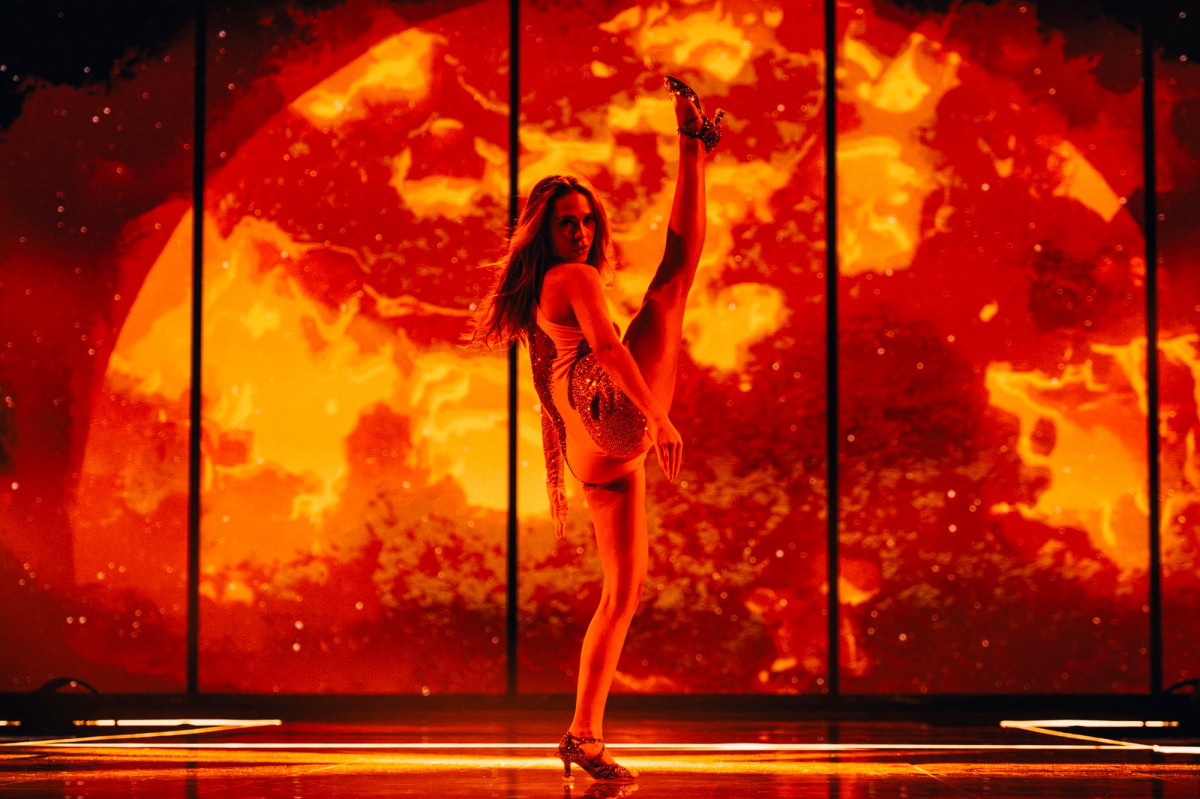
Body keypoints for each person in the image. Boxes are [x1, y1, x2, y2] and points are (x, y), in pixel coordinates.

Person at [468, 76, 724, 782]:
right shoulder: (574, 279)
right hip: (611, 415)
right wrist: (658, 417)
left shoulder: (539, 291)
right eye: (566, 224)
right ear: (544, 232)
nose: (580, 234)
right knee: (672, 283)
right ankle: (692, 147)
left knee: (622, 594)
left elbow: (555, 374)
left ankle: (584, 736)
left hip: (595, 452)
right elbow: (608, 350)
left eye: (585, 222)